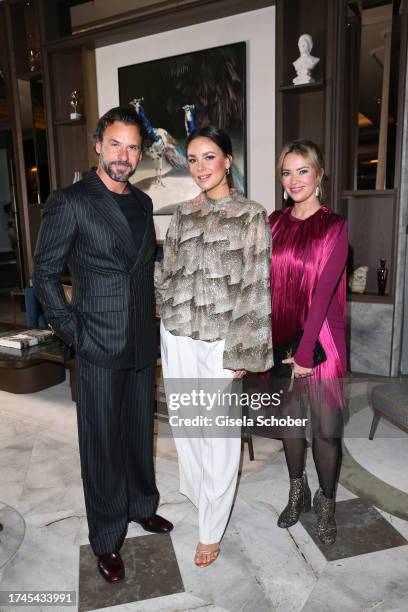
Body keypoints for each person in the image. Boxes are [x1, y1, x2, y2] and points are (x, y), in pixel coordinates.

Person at [33, 106, 173, 583]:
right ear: (97, 144)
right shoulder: (70, 201)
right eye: (115, 144)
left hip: (138, 340)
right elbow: (45, 274)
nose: (124, 155)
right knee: (101, 446)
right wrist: (73, 333)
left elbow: (144, 269)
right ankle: (108, 536)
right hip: (95, 342)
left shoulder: (144, 203)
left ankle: (141, 506)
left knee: (138, 431)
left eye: (133, 146)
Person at [155, 126, 273, 567]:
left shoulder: (251, 215)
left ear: (227, 159)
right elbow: (169, 273)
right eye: (193, 158)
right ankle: (201, 494)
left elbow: (257, 286)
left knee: (219, 433)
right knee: (187, 425)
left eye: (210, 157)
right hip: (179, 332)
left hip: (223, 339)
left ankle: (211, 527)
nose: (201, 166)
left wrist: (245, 350)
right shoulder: (182, 214)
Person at [270, 139, 347, 545]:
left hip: (322, 344)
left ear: (318, 176)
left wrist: (304, 355)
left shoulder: (335, 226)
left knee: (325, 431)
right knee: (289, 425)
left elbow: (321, 295)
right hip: (281, 340)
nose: (295, 179)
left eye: (303, 170)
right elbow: (262, 288)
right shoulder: (273, 223)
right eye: (287, 171)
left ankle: (328, 501)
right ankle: (297, 491)